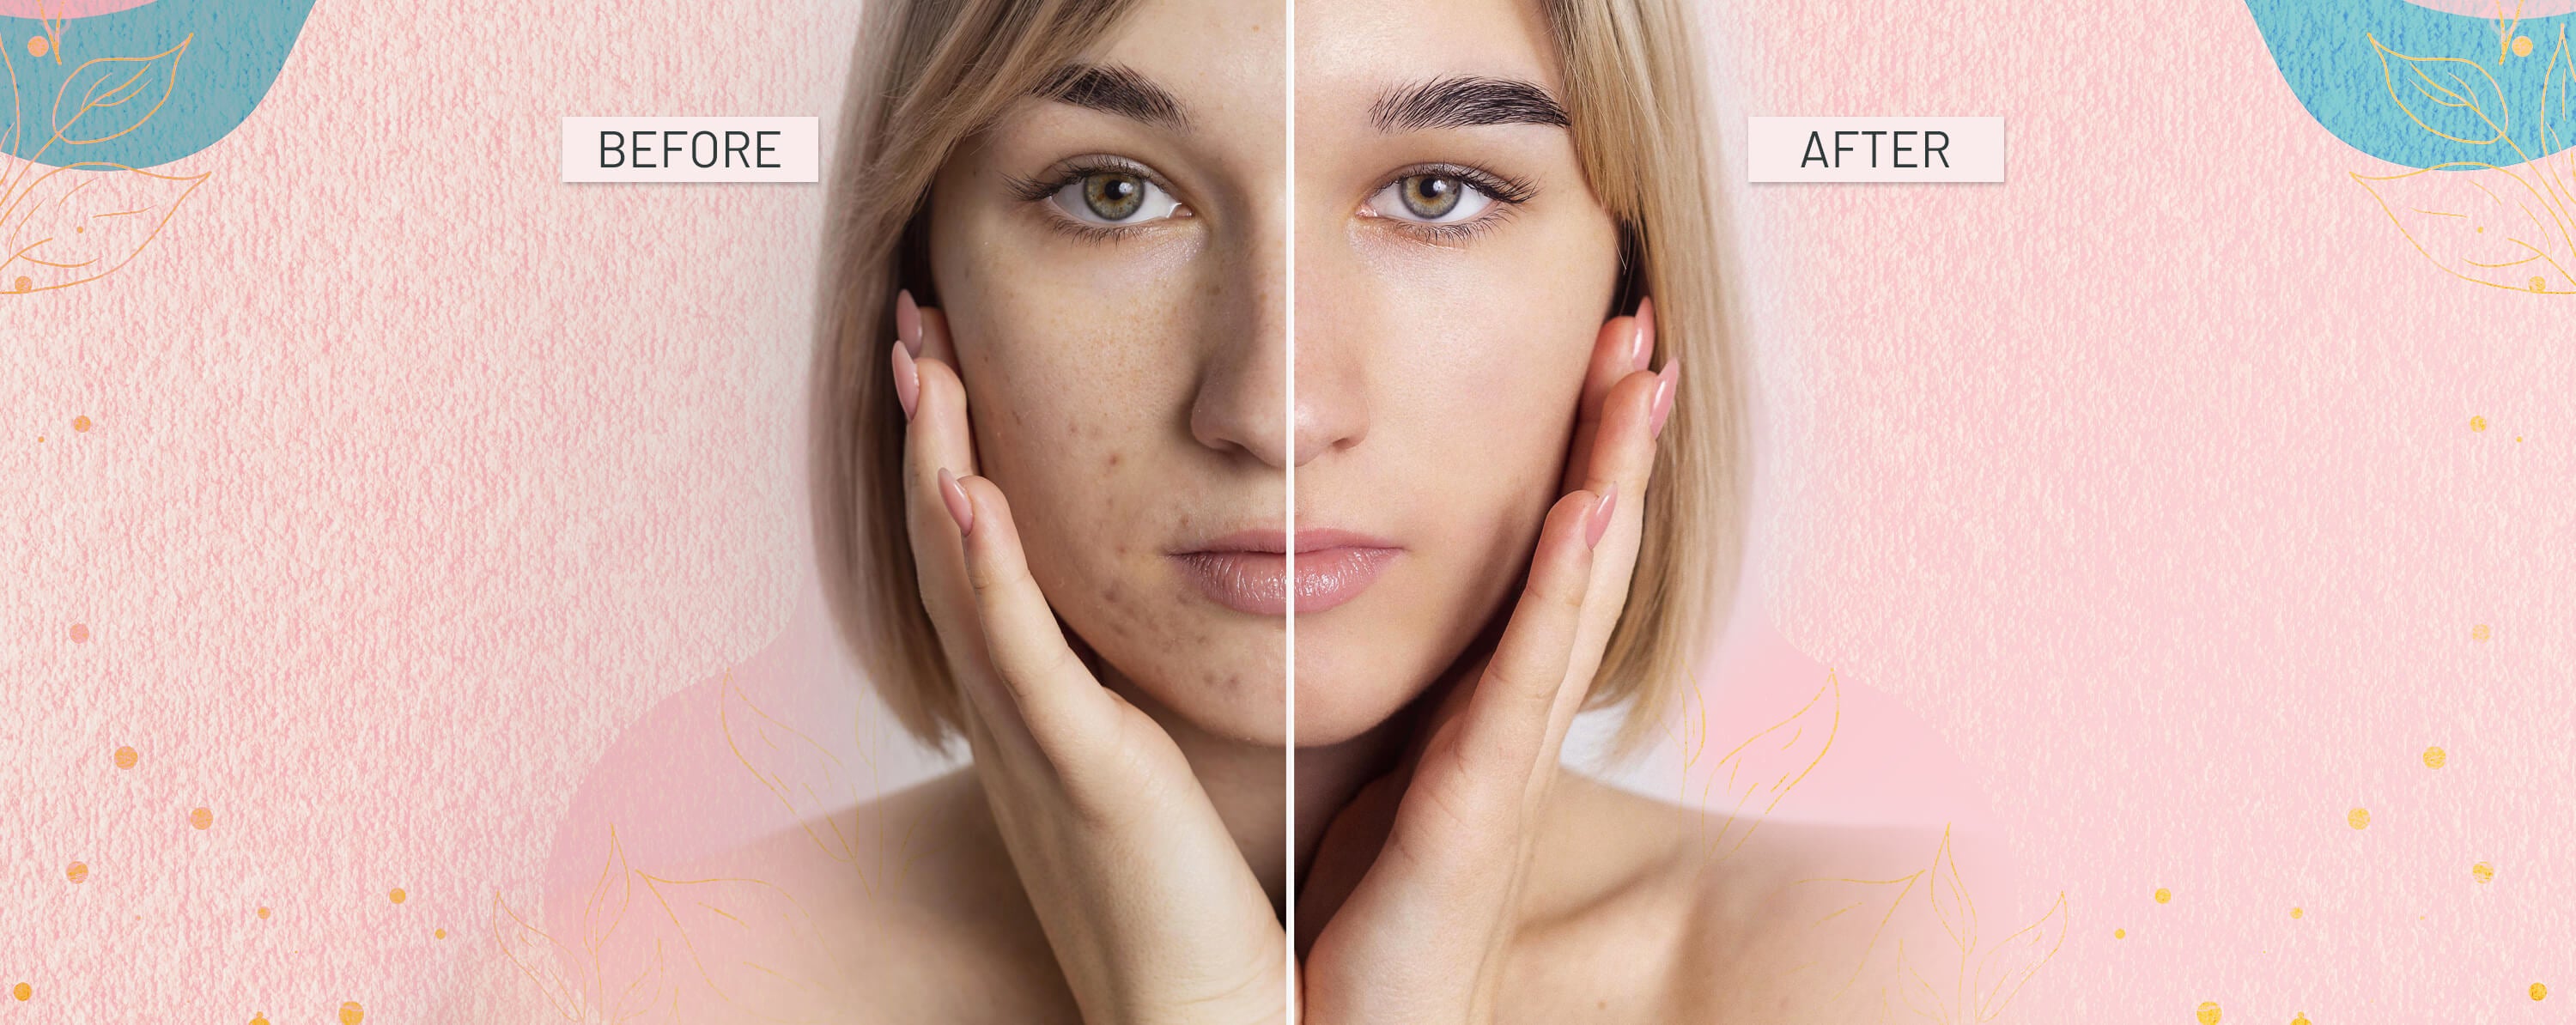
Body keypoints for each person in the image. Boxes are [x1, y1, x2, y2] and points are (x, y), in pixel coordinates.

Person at [759, 0, 1954, 1020]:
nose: (1279, 407)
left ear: (1629, 287)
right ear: (919, 291)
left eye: (1436, 194)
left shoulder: (1940, 969)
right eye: (1114, 193)